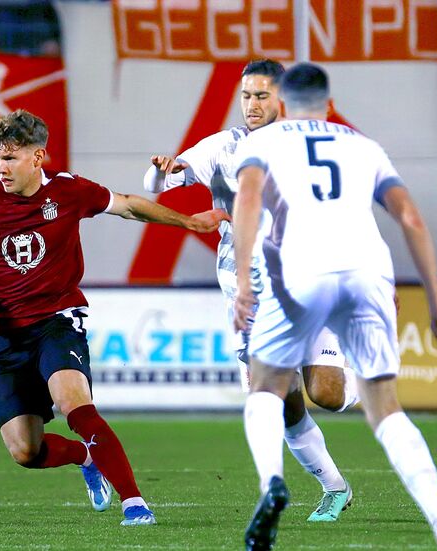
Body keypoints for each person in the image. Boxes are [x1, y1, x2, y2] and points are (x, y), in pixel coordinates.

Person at [232, 63, 437, 551]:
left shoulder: (262, 143)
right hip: (367, 271)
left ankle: (272, 484)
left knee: (266, 386)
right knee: (386, 409)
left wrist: (244, 281)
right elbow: (410, 217)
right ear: (328, 103)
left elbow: (248, 201)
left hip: (299, 273)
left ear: (282, 102)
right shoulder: (363, 146)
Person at [0, 109, 228, 527]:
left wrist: (189, 221)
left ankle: (134, 502)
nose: (1, 167)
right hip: (5, 331)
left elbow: (129, 206)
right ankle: (86, 457)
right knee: (25, 451)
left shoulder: (69, 191)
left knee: (75, 405)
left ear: (37, 157)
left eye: (10, 158)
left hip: (57, 320)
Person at [144, 59, 356, 522]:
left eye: (262, 95)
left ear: (282, 98)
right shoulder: (223, 146)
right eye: (246, 96)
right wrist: (161, 171)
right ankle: (334, 488)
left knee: (327, 395)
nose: (252, 104)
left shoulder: (309, 146)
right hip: (248, 291)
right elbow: (159, 183)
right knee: (281, 401)